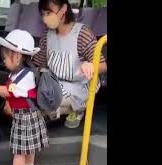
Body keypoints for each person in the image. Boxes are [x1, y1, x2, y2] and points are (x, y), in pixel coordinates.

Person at [0, 29, 49, 165]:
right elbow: (13, 93)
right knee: (29, 147)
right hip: (27, 115)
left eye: (5, 57)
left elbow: (8, 92)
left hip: (26, 118)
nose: (3, 60)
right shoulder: (18, 73)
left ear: (17, 56)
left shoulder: (26, 76)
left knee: (19, 152)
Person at [33, 0, 107, 128]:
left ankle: (78, 109)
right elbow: (39, 62)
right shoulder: (47, 36)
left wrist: (91, 65)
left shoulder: (82, 33)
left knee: (50, 102)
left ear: (63, 9)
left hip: (80, 85)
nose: (46, 18)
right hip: (56, 82)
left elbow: (103, 66)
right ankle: (54, 110)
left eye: (49, 12)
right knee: (42, 96)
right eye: (43, 14)